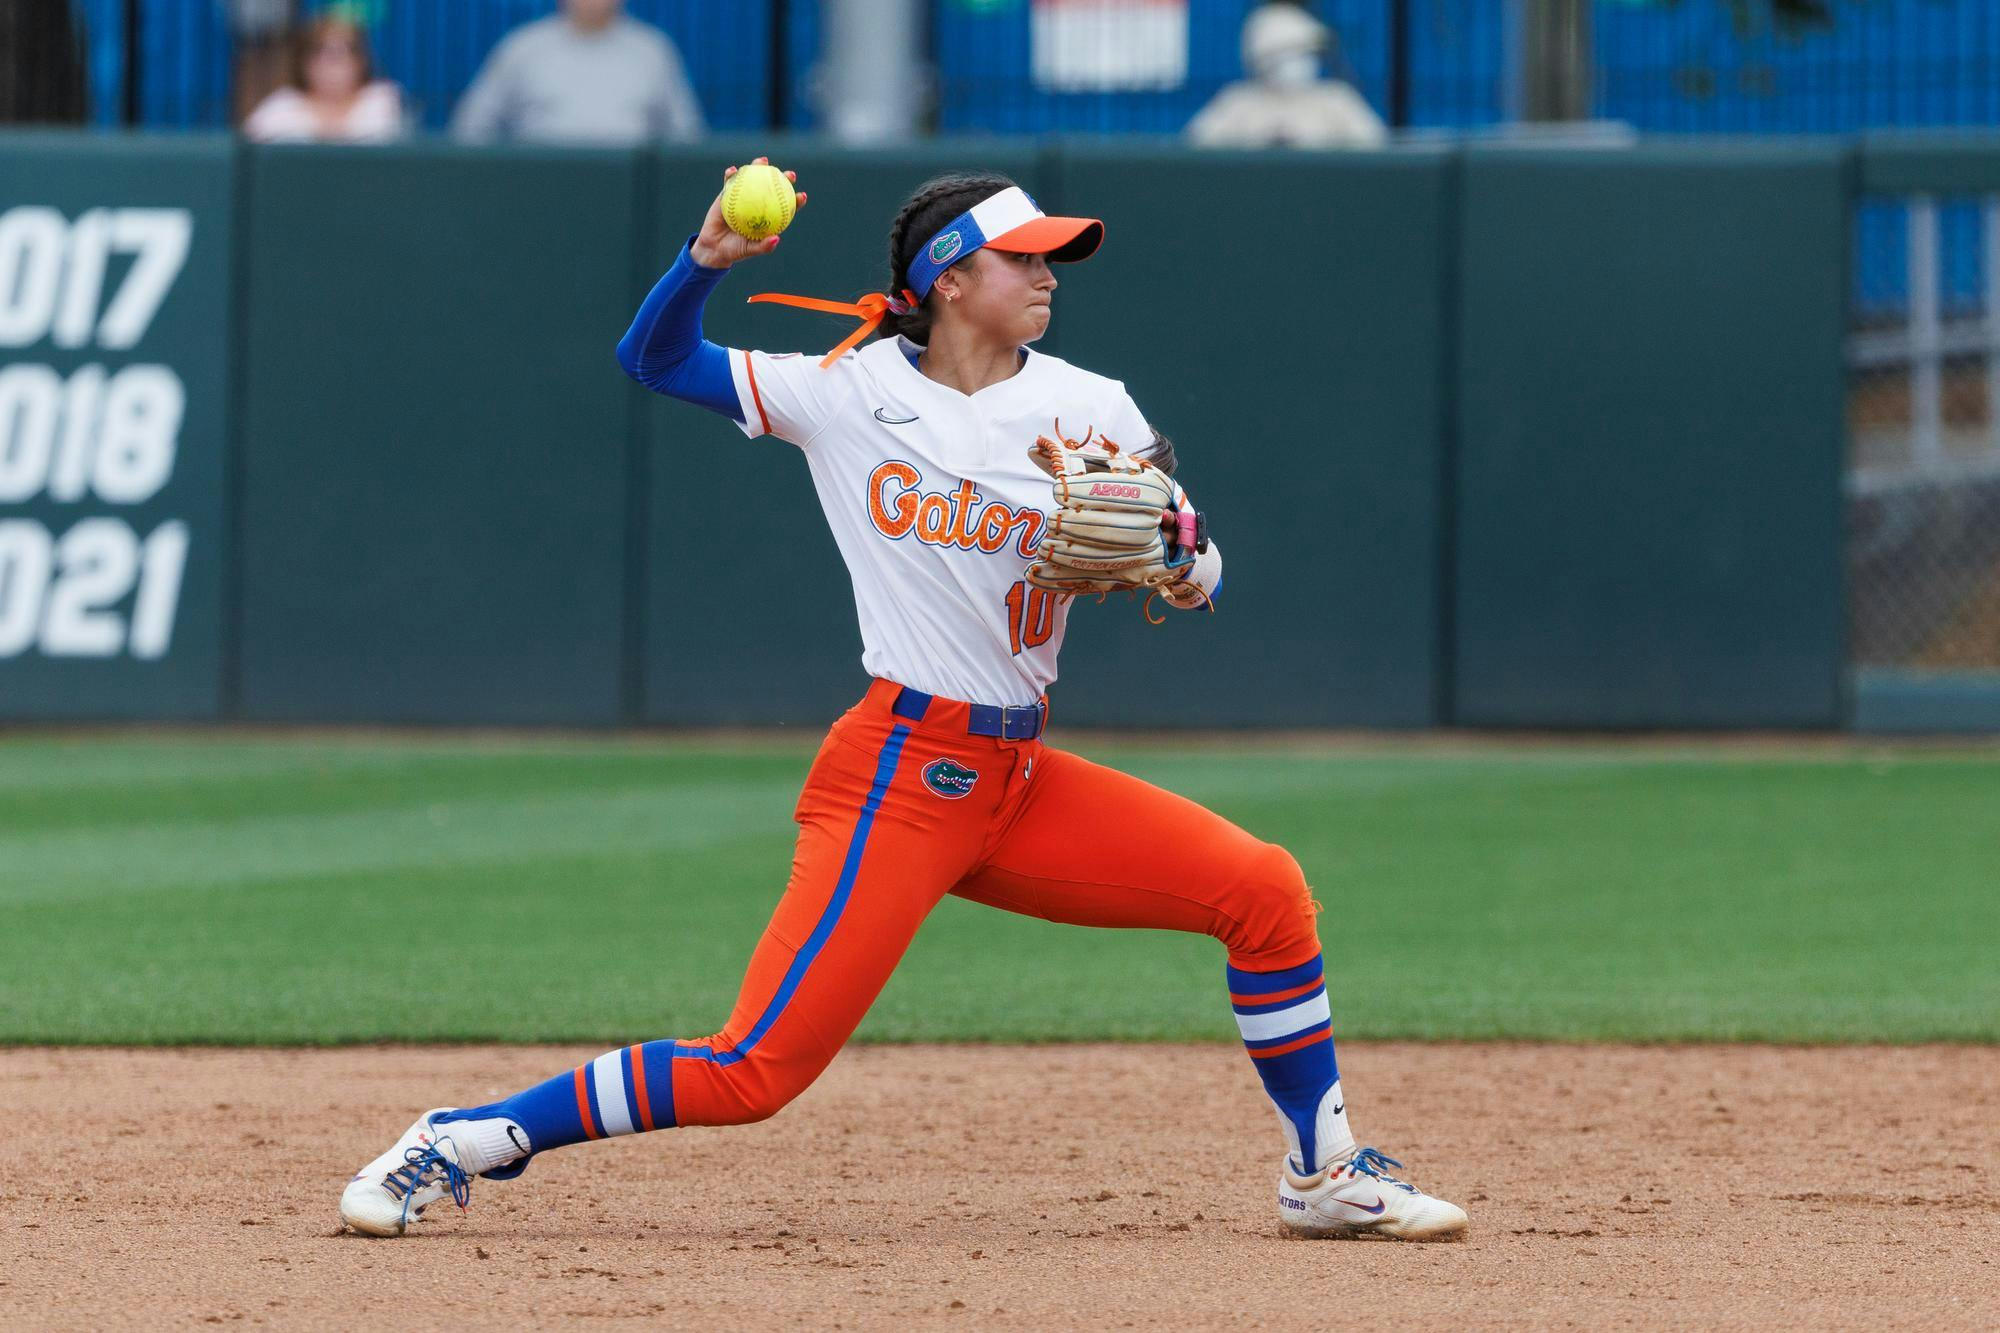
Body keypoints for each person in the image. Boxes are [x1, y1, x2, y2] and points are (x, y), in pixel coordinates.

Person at [337, 160, 1468, 1246]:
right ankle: (464, 1138)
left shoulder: (1094, 405)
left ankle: (1321, 1173)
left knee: (1261, 889)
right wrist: (703, 258)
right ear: (946, 279)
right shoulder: (844, 389)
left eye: (1051, 258)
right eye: (1022, 258)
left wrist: (1179, 560)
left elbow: (1200, 563)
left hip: (1018, 780)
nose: (1047, 275)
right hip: (900, 773)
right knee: (751, 1071)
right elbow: (652, 358)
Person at [451, 0, 703, 146]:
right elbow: (469, 131)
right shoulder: (522, 49)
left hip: (630, 204)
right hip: (535, 197)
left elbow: (686, 140)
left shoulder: (653, 51)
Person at [1187, 1, 1387, 150]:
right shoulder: (1238, 102)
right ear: (1263, 64)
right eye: (1291, 57)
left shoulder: (1336, 99)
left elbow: (1375, 148)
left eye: (1308, 54)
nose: (1303, 64)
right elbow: (1195, 150)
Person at [242, 16, 403, 143]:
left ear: (361, 61)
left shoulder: (382, 102)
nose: (333, 64)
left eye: (344, 52)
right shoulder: (280, 108)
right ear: (303, 62)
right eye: (320, 52)